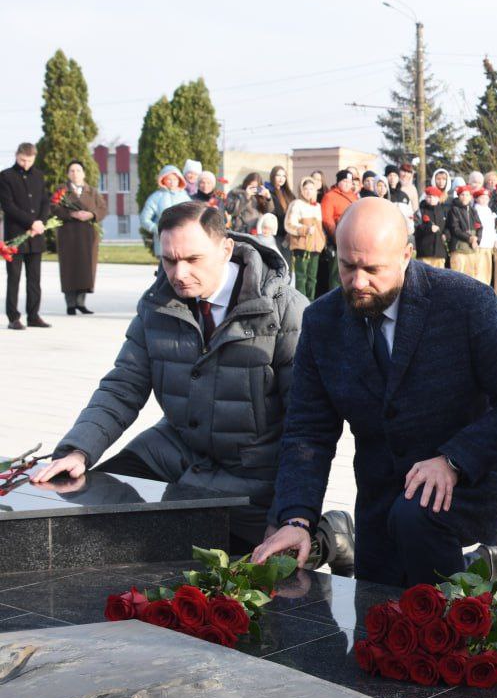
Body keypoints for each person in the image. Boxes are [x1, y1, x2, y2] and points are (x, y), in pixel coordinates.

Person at [251, 199, 497, 586]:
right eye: (347, 266)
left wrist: (454, 460)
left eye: (372, 269)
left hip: (471, 479)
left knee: (440, 595)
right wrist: (296, 518)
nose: (358, 282)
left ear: (406, 255)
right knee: (378, 606)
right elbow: (308, 431)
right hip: (381, 491)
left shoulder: (464, 301)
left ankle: (472, 581)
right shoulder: (321, 321)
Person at [32, 202, 323, 556]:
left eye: (192, 259)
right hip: (173, 453)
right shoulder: (157, 303)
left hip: (253, 473)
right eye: (169, 260)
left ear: (226, 249)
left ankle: (330, 537)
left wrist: (290, 514)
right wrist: (79, 449)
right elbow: (124, 384)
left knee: (246, 567)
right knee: (87, 518)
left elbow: (304, 426)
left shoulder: (285, 311)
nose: (179, 273)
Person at [1, 143, 52, 330]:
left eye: (29, 161)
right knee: (14, 278)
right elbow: (8, 206)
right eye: (23, 160)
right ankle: (13, 317)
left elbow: (45, 202)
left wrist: (41, 222)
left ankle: (33, 315)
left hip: (36, 236)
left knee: (34, 278)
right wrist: (31, 222)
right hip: (16, 236)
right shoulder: (5, 176)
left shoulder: (39, 176)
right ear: (17, 155)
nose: (25, 164)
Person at [50, 160, 108, 316]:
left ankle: (81, 303)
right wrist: (71, 214)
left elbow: (103, 208)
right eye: (72, 171)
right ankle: (70, 304)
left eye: (78, 170)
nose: (75, 173)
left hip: (88, 236)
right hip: (68, 235)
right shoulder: (62, 190)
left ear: (84, 173)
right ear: (68, 174)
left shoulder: (92, 191)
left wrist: (92, 214)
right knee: (69, 268)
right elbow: (53, 207)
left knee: (85, 268)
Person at [285, 178, 325, 300]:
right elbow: (289, 224)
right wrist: (304, 229)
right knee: (301, 277)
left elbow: (320, 228)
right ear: (301, 190)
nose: (308, 191)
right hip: (301, 245)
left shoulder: (317, 206)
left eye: (311, 189)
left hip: (315, 247)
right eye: (305, 189)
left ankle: (311, 302)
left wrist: (322, 241)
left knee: (312, 278)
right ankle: (301, 303)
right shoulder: (296, 204)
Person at [321, 170, 360, 291]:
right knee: (337, 273)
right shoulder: (330, 196)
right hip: (338, 240)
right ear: (338, 182)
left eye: (349, 182)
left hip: (354, 241)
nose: (347, 184)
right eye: (344, 181)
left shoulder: (354, 197)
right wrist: (336, 237)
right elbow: (327, 219)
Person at [139, 165, 192, 246]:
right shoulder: (156, 197)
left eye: (175, 179)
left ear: (179, 180)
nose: (172, 182)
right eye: (169, 179)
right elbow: (144, 219)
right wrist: (158, 229)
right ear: (163, 180)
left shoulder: (185, 197)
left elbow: (192, 217)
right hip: (163, 241)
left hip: (182, 239)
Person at [446, 185, 481, 280]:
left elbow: (479, 226)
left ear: (470, 197)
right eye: (462, 195)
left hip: (471, 249)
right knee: (458, 275)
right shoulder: (454, 210)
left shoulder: (473, 210)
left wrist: (477, 239)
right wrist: (469, 238)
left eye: (467, 195)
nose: (465, 197)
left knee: (471, 275)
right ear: (458, 196)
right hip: (458, 247)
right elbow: (455, 229)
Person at [414, 185, 449, 268]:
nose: (431, 199)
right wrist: (429, 229)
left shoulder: (443, 211)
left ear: (438, 198)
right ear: (426, 197)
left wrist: (446, 234)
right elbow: (416, 229)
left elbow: (447, 227)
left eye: (434, 197)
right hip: (424, 252)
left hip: (440, 253)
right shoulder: (420, 211)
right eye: (429, 197)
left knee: (440, 275)